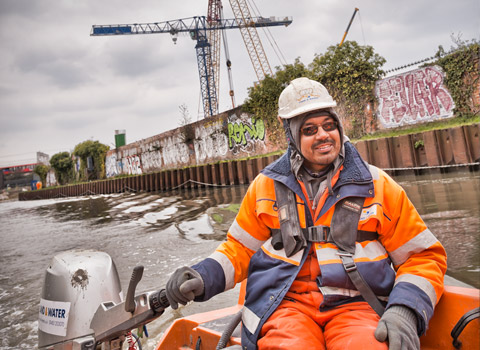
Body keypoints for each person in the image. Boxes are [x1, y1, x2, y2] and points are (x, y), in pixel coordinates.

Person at [165, 77, 447, 350]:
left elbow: (423, 257)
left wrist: (404, 309)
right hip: (286, 305)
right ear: (291, 135)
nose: (323, 135)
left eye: (329, 125)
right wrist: (202, 276)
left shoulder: (379, 185)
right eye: (309, 130)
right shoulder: (265, 187)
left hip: (358, 305)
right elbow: (238, 250)